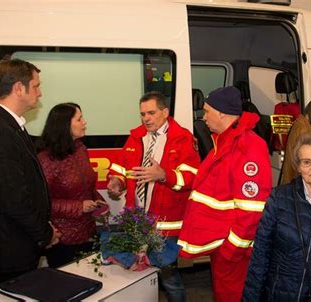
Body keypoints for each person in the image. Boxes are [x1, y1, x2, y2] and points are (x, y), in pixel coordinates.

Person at [0, 59, 60, 291]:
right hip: (7, 250)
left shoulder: (9, 125)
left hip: (16, 243)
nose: (40, 93)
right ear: (19, 88)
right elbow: (14, 200)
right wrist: (45, 233)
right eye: (36, 85)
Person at [178, 86, 272, 302]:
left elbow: (252, 210)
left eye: (207, 111)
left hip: (233, 252)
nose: (203, 117)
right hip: (221, 246)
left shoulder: (248, 147)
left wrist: (231, 250)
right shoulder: (224, 142)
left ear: (221, 112)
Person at [107, 91, 200, 302]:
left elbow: (191, 177)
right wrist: (116, 181)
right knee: (138, 272)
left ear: (165, 112)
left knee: (167, 275)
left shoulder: (182, 138)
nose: (146, 118)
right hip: (138, 220)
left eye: (151, 113)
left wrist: (164, 175)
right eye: (142, 114)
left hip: (165, 224)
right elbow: (121, 167)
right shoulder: (136, 137)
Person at [243, 132, 311, 301]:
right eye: (306, 162)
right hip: (278, 294)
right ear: (298, 166)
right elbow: (260, 257)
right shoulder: (279, 198)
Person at [37, 103, 108, 268]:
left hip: (88, 233)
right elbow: (42, 203)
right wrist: (79, 206)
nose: (85, 122)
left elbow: (87, 186)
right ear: (64, 125)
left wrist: (97, 200)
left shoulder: (81, 149)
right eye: (79, 119)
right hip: (62, 239)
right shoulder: (46, 159)